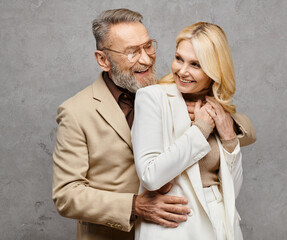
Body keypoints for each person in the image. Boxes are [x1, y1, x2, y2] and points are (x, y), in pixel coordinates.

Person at [52, 8, 256, 240]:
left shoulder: (171, 90)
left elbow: (242, 131)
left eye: (148, 46)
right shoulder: (76, 111)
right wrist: (135, 205)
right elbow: (66, 195)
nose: (146, 59)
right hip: (113, 235)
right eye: (132, 52)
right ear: (103, 59)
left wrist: (221, 120)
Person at [132, 22, 250, 240]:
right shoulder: (153, 98)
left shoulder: (218, 110)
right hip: (174, 227)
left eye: (195, 64)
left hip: (220, 226)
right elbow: (150, 176)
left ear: (214, 70)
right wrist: (201, 129)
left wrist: (229, 139)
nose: (182, 71)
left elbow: (232, 191)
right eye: (179, 59)